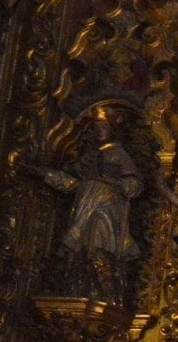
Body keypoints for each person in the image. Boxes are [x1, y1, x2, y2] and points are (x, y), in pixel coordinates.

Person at [43, 112, 143, 303]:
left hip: (107, 204)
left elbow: (134, 182)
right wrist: (45, 175)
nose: (99, 132)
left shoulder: (118, 154)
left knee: (99, 239)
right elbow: (72, 182)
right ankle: (78, 289)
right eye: (96, 128)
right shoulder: (89, 156)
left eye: (104, 127)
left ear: (112, 131)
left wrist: (120, 184)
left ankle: (106, 293)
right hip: (85, 203)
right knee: (79, 248)